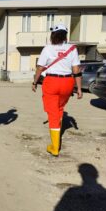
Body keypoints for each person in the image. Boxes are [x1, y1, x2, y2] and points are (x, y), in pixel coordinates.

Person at [32, 24, 82, 157]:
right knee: (60, 107)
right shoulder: (72, 49)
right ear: (65, 35)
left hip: (51, 82)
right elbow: (76, 70)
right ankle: (58, 125)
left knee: (52, 113)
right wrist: (79, 89)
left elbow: (40, 68)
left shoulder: (47, 49)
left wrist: (35, 82)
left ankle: (54, 147)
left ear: (53, 35)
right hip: (67, 82)